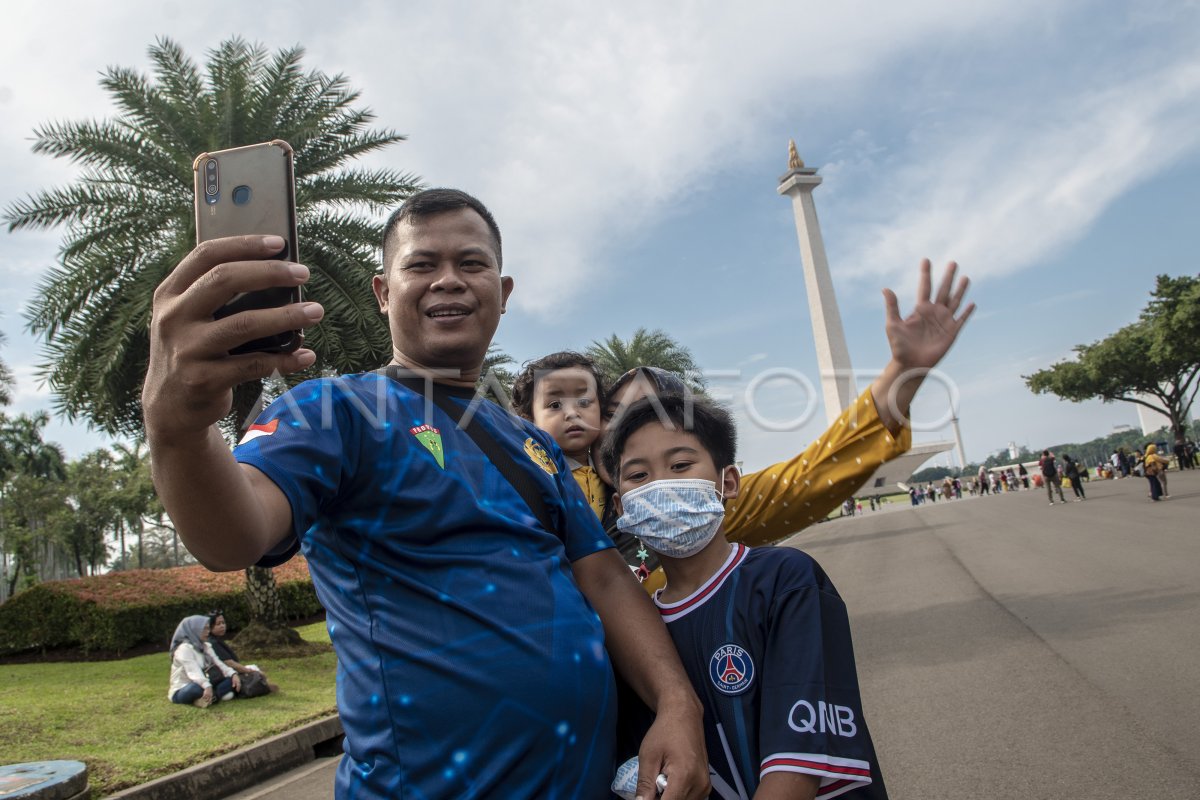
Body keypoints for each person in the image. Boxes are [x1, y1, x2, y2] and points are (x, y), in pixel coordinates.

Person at [142, 189, 709, 799]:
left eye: (471, 263)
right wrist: (175, 427)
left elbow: (602, 576)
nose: (449, 281)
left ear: (503, 290)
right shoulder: (334, 412)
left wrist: (677, 703)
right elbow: (232, 536)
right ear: (384, 292)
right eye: (421, 265)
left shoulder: (530, 442)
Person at [594, 260, 975, 590]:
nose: (630, 429)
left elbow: (817, 471)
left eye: (650, 413)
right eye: (615, 413)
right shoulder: (557, 504)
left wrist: (904, 371)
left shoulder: (715, 505)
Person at [602, 394, 888, 799]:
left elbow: (798, 766)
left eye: (681, 465)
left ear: (728, 482)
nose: (662, 485)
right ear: (621, 506)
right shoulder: (633, 635)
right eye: (638, 476)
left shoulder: (786, 581)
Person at [168, 615, 239, 708]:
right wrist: (207, 686)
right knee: (195, 688)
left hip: (207, 682)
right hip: (185, 687)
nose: (208, 632)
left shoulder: (206, 646)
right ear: (195, 630)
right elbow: (193, 672)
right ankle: (215, 695)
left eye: (208, 629)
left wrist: (233, 674)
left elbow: (219, 664)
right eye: (204, 629)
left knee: (231, 680)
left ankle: (209, 698)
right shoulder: (184, 649)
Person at [207, 611, 279, 694]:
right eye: (218, 624)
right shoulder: (213, 642)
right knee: (256, 671)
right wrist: (248, 670)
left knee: (256, 669)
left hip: (230, 672)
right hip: (226, 674)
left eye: (223, 623)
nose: (222, 626)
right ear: (211, 626)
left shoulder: (216, 640)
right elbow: (229, 663)